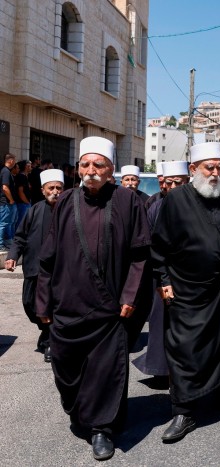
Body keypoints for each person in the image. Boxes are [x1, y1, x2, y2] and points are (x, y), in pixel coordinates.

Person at [35, 136, 151, 461]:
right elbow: (47, 258)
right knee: (65, 367)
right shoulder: (66, 201)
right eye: (85, 164)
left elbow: (141, 255)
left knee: (105, 370)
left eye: (98, 164)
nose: (90, 170)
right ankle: (82, 410)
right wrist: (43, 302)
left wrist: (130, 295)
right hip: (68, 305)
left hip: (109, 307)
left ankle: (103, 428)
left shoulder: (129, 201)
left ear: (111, 169)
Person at [151, 141, 220, 443]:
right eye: (210, 167)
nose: (216, 172)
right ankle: (183, 411)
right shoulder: (176, 200)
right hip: (186, 290)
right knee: (184, 349)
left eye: (219, 167)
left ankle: (215, 391)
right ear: (193, 170)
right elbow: (159, 245)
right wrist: (164, 280)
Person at [132, 161, 190, 382]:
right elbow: (148, 243)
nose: (173, 186)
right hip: (161, 277)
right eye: (169, 183)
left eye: (178, 182)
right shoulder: (156, 207)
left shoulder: (199, 206)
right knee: (161, 322)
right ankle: (160, 368)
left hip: (190, 277)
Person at [5, 169, 64, 362]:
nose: (55, 191)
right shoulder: (34, 210)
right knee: (30, 304)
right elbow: (20, 236)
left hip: (60, 271)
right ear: (42, 190)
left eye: (59, 188)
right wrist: (13, 256)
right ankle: (45, 331)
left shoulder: (70, 210)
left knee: (53, 307)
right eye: (51, 188)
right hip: (34, 268)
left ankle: (50, 341)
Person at [0, 153, 18, 251]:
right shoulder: (6, 172)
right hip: (6, 203)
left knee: (8, 223)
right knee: (3, 223)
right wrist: (11, 200)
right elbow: (5, 187)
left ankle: (7, 242)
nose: (15, 163)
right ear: (10, 161)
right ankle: (1, 244)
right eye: (14, 160)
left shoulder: (6, 171)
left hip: (8, 203)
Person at [14, 160, 32, 228]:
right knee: (21, 221)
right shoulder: (21, 176)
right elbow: (20, 192)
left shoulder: (25, 176)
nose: (31, 167)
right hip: (22, 204)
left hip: (25, 203)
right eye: (29, 166)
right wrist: (27, 202)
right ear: (26, 167)